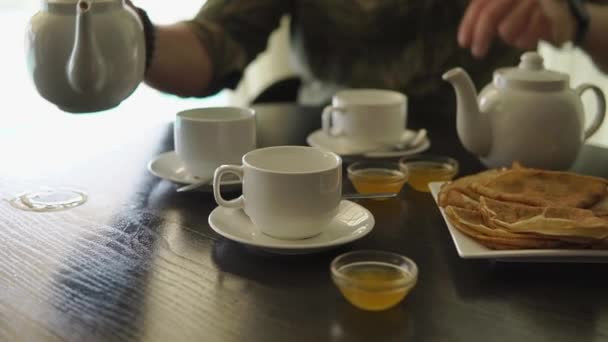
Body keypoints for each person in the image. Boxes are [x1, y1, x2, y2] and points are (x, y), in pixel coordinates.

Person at [133, 0, 608, 108]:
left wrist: (577, 17)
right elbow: (213, 44)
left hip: (487, 168)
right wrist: (130, 34)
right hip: (327, 169)